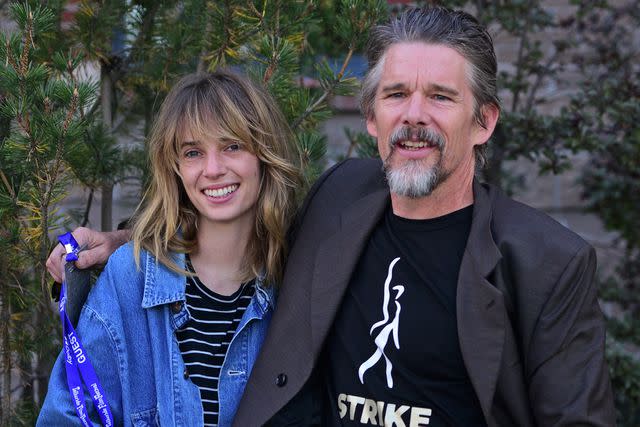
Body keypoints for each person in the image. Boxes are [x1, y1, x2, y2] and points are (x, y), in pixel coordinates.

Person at [47, 7, 616, 427]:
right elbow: (231, 217)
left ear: (484, 122)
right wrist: (123, 240)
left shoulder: (547, 264)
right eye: (396, 94)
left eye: (440, 97)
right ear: (371, 116)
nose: (413, 117)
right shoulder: (340, 200)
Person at [39, 70, 301, 426]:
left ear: (264, 153)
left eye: (232, 146)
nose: (212, 169)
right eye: (193, 152)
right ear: (175, 167)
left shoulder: (298, 277)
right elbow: (67, 417)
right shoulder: (129, 278)